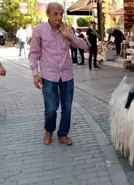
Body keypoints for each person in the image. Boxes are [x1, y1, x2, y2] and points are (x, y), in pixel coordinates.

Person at [28, 2, 88, 145]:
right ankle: (49, 131)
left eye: (61, 14)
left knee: (67, 108)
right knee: (51, 108)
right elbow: (34, 54)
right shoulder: (39, 30)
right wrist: (35, 74)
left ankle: (63, 134)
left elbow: (85, 47)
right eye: (55, 14)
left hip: (67, 75)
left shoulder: (67, 29)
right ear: (48, 14)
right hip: (49, 75)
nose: (59, 17)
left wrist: (69, 36)